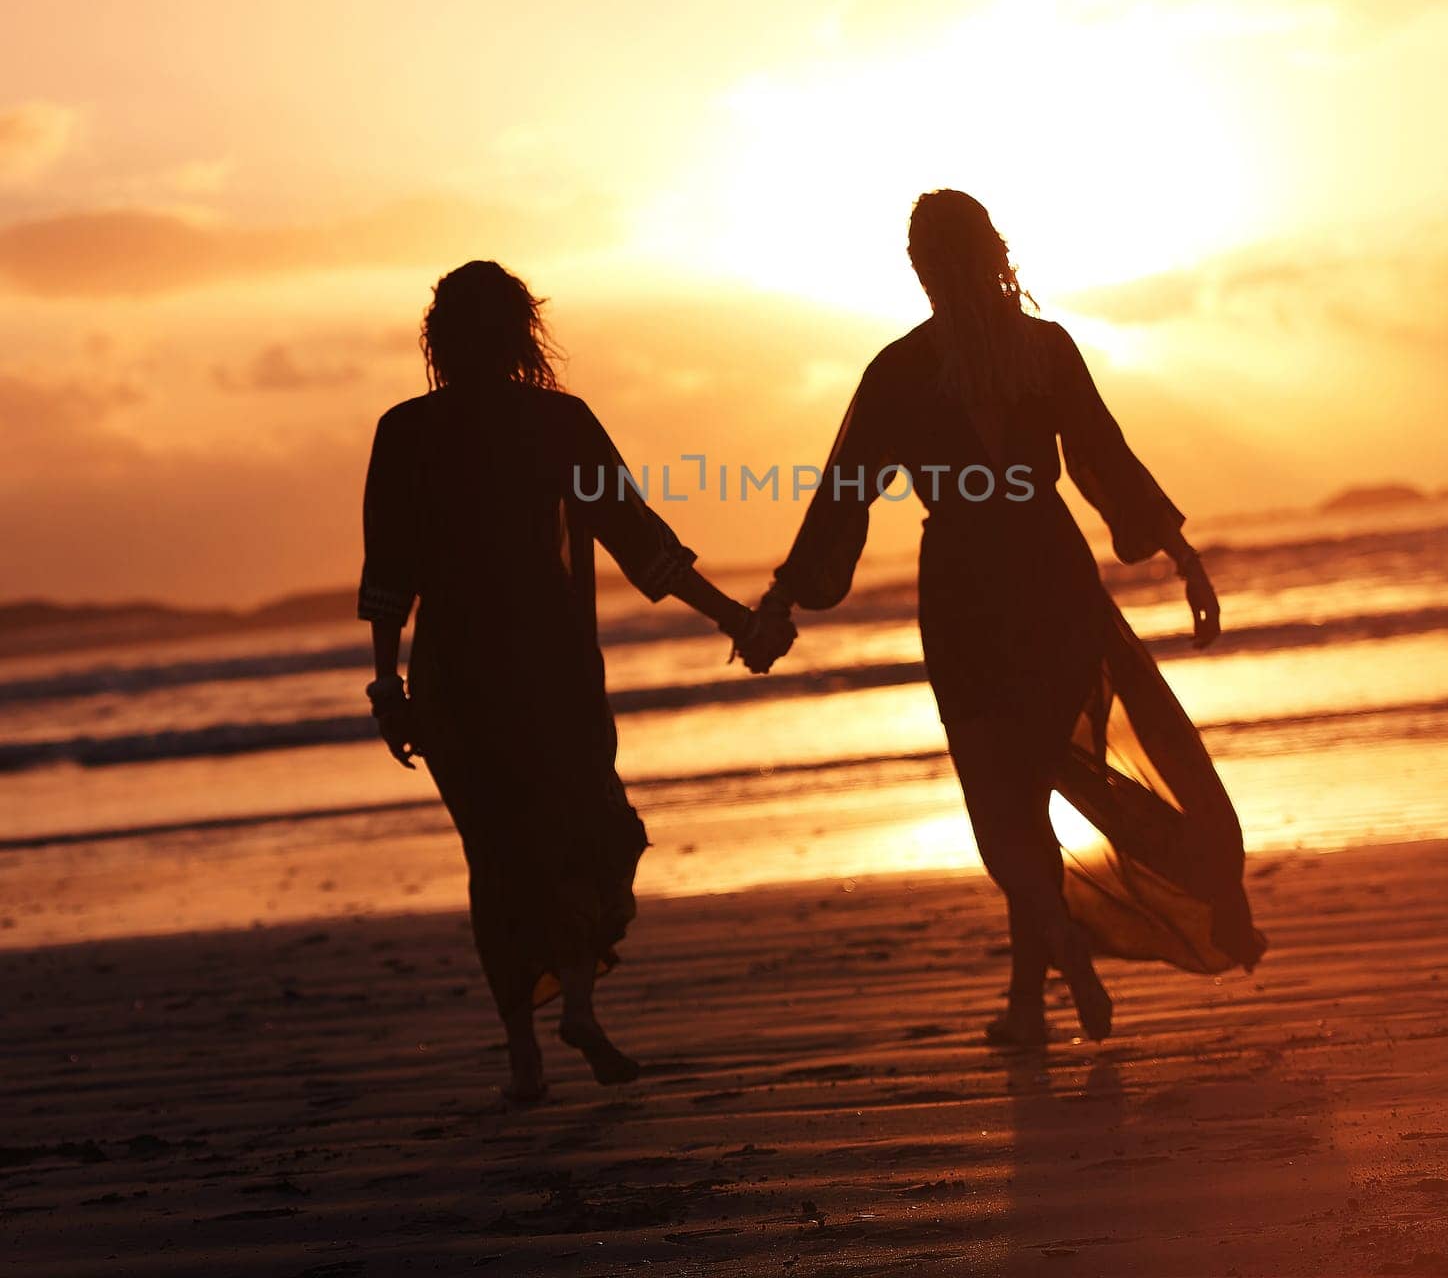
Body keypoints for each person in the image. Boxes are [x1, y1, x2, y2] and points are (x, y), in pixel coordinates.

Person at [750, 190, 1264, 1047]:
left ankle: (1052, 956)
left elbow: (845, 496)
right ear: (996, 251)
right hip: (1052, 579)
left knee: (1004, 797)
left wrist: (784, 596)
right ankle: (1029, 1003)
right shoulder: (1044, 349)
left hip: (964, 590)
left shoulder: (899, 371)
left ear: (919, 268)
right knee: (1044, 776)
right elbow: (1105, 456)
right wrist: (1185, 557)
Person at [359, 260, 792, 1101]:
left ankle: (522, 1050)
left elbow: (389, 574)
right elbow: (643, 546)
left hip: (452, 676)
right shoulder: (558, 422)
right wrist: (734, 618)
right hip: (551, 673)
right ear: (522, 332)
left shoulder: (404, 431)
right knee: (586, 834)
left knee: (493, 859)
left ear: (437, 340)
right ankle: (580, 1004)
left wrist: (387, 687)